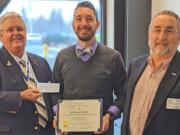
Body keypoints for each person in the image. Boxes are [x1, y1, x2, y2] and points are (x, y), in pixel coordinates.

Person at [52, 1, 126, 135]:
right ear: (73, 24)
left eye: (89, 19)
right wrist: (58, 114)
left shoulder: (113, 57)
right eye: (78, 19)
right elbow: (55, 92)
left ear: (97, 24)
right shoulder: (61, 57)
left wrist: (109, 115)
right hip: (69, 131)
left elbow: (123, 95)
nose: (84, 23)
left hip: (102, 132)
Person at [121, 10, 180, 135]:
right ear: (149, 34)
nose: (162, 37)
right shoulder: (134, 65)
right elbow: (125, 103)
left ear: (179, 37)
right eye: (157, 30)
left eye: (169, 31)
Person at [0, 12, 55, 135]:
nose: (16, 33)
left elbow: (53, 93)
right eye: (10, 30)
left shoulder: (41, 62)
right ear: (1, 35)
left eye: (19, 29)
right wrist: (20, 96)